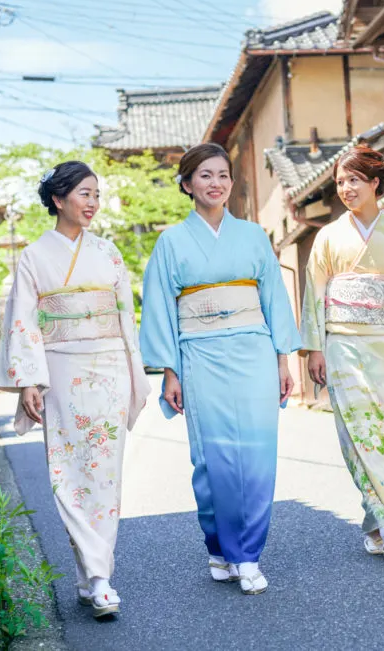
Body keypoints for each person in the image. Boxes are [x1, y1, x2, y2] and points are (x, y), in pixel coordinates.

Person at [139, 143, 301, 595]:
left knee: (257, 453)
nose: (216, 183)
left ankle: (247, 555)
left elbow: (274, 299)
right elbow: (158, 308)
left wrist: (282, 360)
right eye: (205, 176)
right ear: (187, 184)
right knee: (212, 460)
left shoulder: (251, 236)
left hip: (253, 351)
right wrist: (170, 371)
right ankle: (219, 543)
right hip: (199, 354)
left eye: (223, 175)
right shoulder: (170, 242)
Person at [0, 161, 150, 618]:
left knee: (105, 472)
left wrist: (133, 370)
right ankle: (98, 578)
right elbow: (23, 319)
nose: (92, 203)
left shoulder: (109, 253)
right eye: (84, 194)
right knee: (69, 472)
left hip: (108, 369)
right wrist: (29, 380)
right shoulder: (33, 256)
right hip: (60, 369)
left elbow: (126, 318)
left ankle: (95, 577)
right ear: (58, 200)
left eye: (96, 195)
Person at [300, 144, 384, 560]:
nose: (345, 188)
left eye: (354, 180)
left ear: (375, 183)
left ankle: (377, 524)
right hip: (342, 344)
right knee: (356, 433)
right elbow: (314, 295)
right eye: (341, 182)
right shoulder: (327, 237)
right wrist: (314, 348)